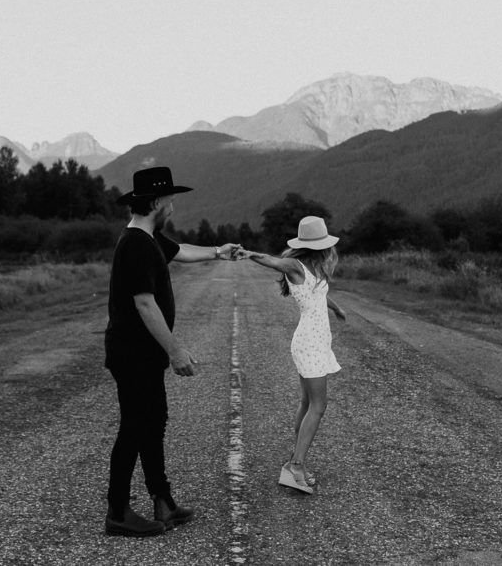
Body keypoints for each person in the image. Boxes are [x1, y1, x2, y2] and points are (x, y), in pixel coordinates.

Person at [103, 166, 242, 537]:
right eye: (170, 200)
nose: (174, 207)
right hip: (131, 353)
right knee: (134, 427)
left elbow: (180, 253)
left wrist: (219, 252)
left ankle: (163, 501)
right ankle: (117, 511)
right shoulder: (135, 243)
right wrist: (177, 350)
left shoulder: (149, 238)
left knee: (154, 421)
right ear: (155, 203)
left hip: (143, 354)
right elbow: (145, 305)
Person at [235, 215, 346, 494]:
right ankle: (295, 465)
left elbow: (319, 294)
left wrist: (335, 308)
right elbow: (273, 260)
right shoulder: (295, 266)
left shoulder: (313, 269)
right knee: (318, 406)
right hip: (309, 343)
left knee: (307, 402)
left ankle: (298, 462)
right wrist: (249, 254)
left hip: (316, 342)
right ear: (319, 245)